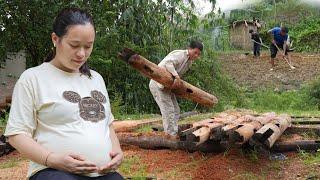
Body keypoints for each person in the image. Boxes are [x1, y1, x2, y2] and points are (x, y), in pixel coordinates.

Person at [4, 8, 123, 180]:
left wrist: (117, 151)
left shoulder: (96, 78)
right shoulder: (33, 78)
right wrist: (52, 159)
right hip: (54, 173)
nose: (82, 53)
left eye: (88, 46)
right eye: (74, 45)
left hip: (102, 172)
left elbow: (107, 124)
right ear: (55, 39)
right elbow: (16, 135)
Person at [149, 40, 203, 136]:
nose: (196, 56)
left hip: (167, 87)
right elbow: (168, 63)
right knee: (168, 110)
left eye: (198, 54)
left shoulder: (189, 62)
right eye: (195, 52)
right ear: (189, 49)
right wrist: (176, 76)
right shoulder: (180, 54)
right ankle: (170, 136)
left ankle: (172, 132)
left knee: (176, 110)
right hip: (157, 84)